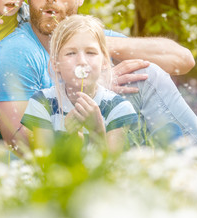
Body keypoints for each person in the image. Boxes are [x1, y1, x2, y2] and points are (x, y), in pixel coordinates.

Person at [0, 0, 197, 153]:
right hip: (63, 157)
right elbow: (18, 142)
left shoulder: (94, 37)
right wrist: (90, 90)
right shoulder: (19, 50)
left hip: (110, 146)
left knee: (145, 74)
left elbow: (183, 60)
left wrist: (96, 48)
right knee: (142, 77)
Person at [21, 15, 138, 152]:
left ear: (105, 62)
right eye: (71, 53)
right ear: (55, 64)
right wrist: (71, 141)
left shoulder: (118, 108)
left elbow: (110, 167)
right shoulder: (42, 103)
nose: (82, 61)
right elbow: (45, 162)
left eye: (91, 52)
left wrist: (96, 131)